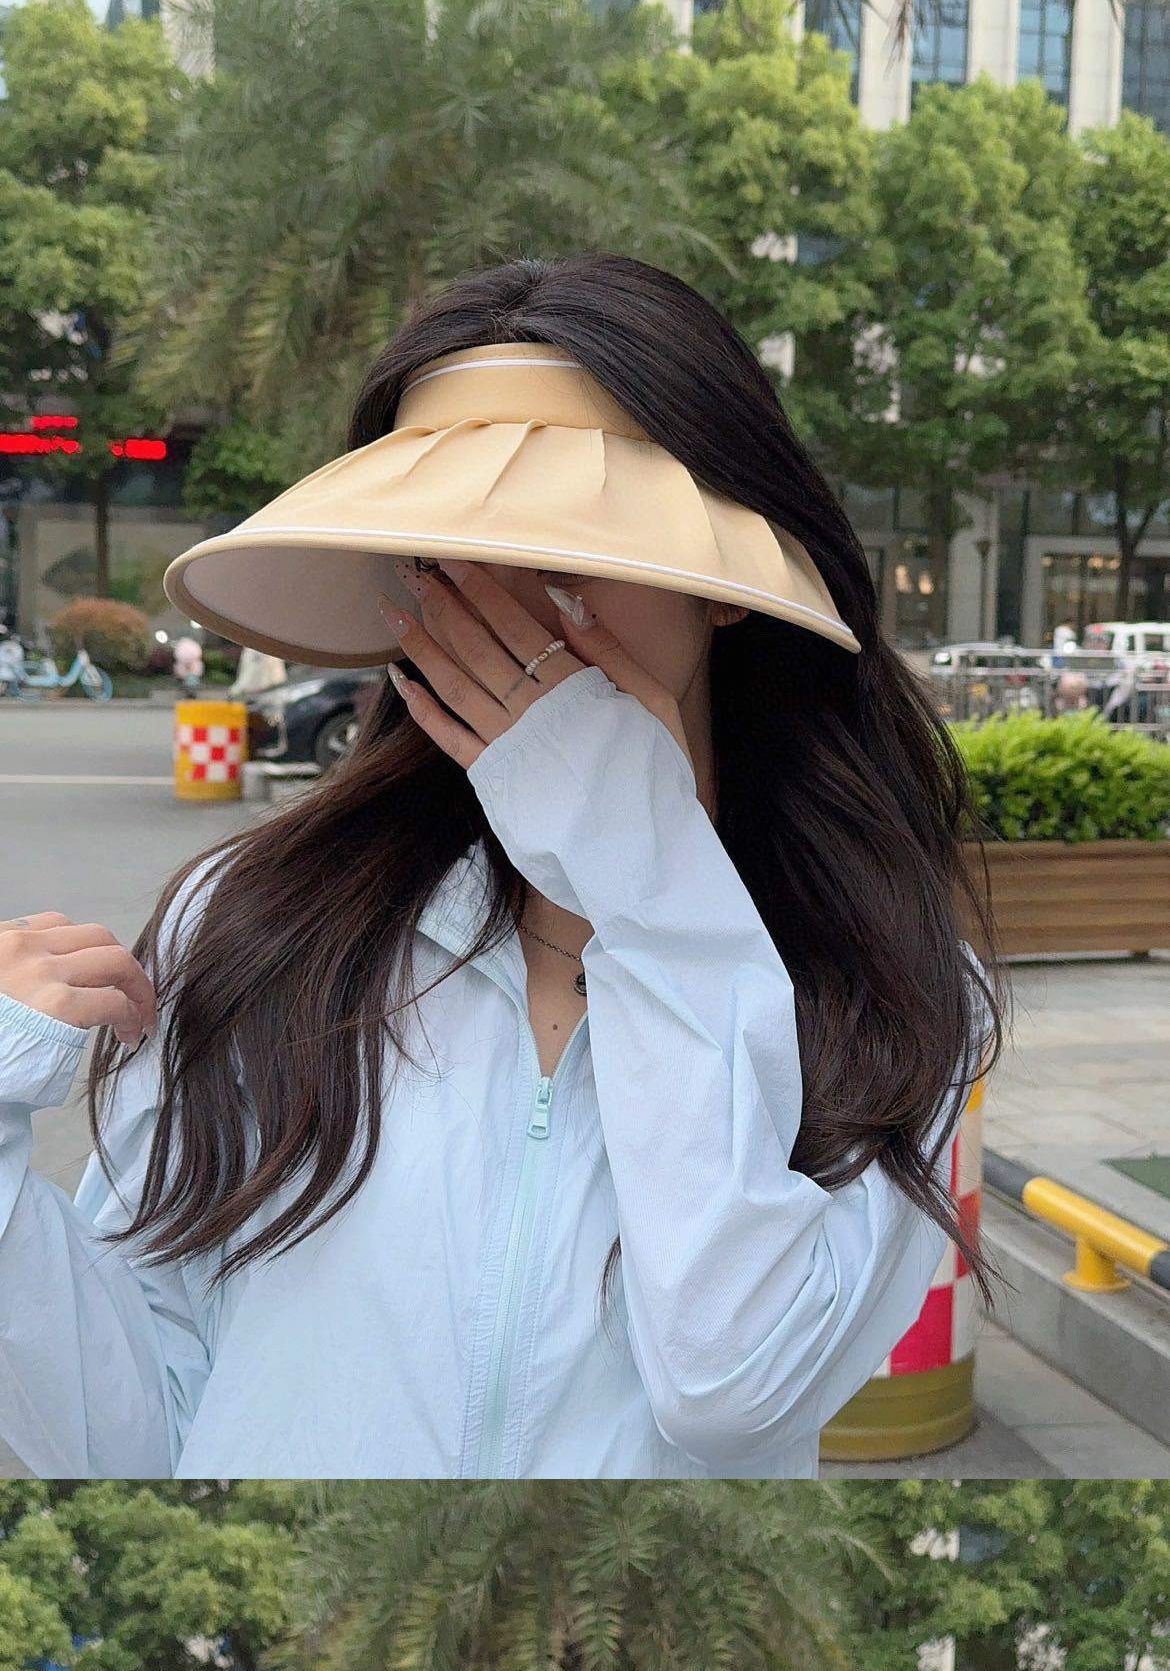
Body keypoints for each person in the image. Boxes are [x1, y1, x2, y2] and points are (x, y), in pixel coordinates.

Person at [0, 253, 995, 1488]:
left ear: (726, 582)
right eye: (453, 552)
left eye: (577, 551)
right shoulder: (254, 925)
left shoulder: (890, 989)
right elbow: (133, 1434)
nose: (514, 609)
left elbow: (734, 1391)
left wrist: (642, 870)